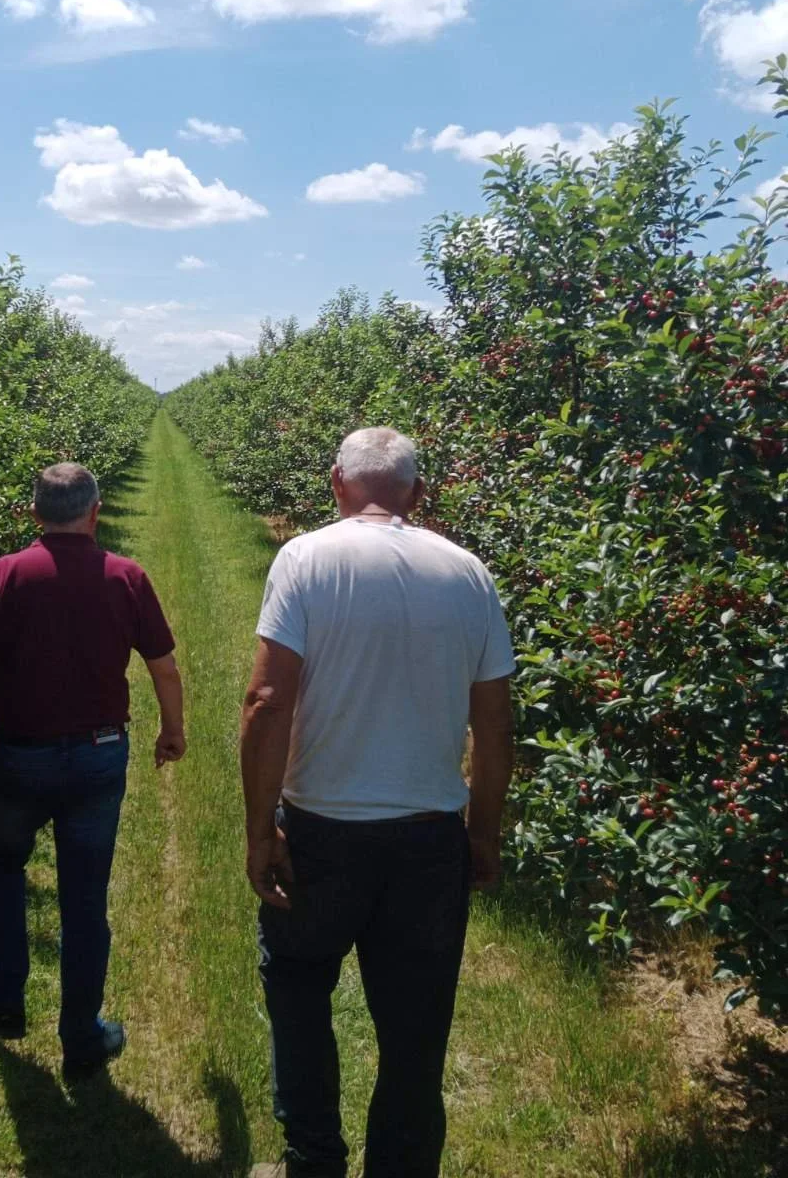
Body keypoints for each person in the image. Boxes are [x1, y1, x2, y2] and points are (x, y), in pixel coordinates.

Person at [242, 428, 514, 1178]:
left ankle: (314, 1158)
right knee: (416, 1030)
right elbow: (494, 723)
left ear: (336, 484)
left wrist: (260, 828)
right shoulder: (468, 574)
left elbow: (267, 700)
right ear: (417, 494)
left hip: (324, 828)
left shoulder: (305, 559)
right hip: (428, 840)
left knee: (298, 987)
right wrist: (482, 832)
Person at [0, 461, 186, 1079]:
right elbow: (163, 667)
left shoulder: (5, 576)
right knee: (84, 899)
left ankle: (5, 1006)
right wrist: (172, 731)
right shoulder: (126, 576)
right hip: (97, 755)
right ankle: (81, 1038)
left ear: (35, 513)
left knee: (4, 871)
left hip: (20, 756)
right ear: (94, 513)